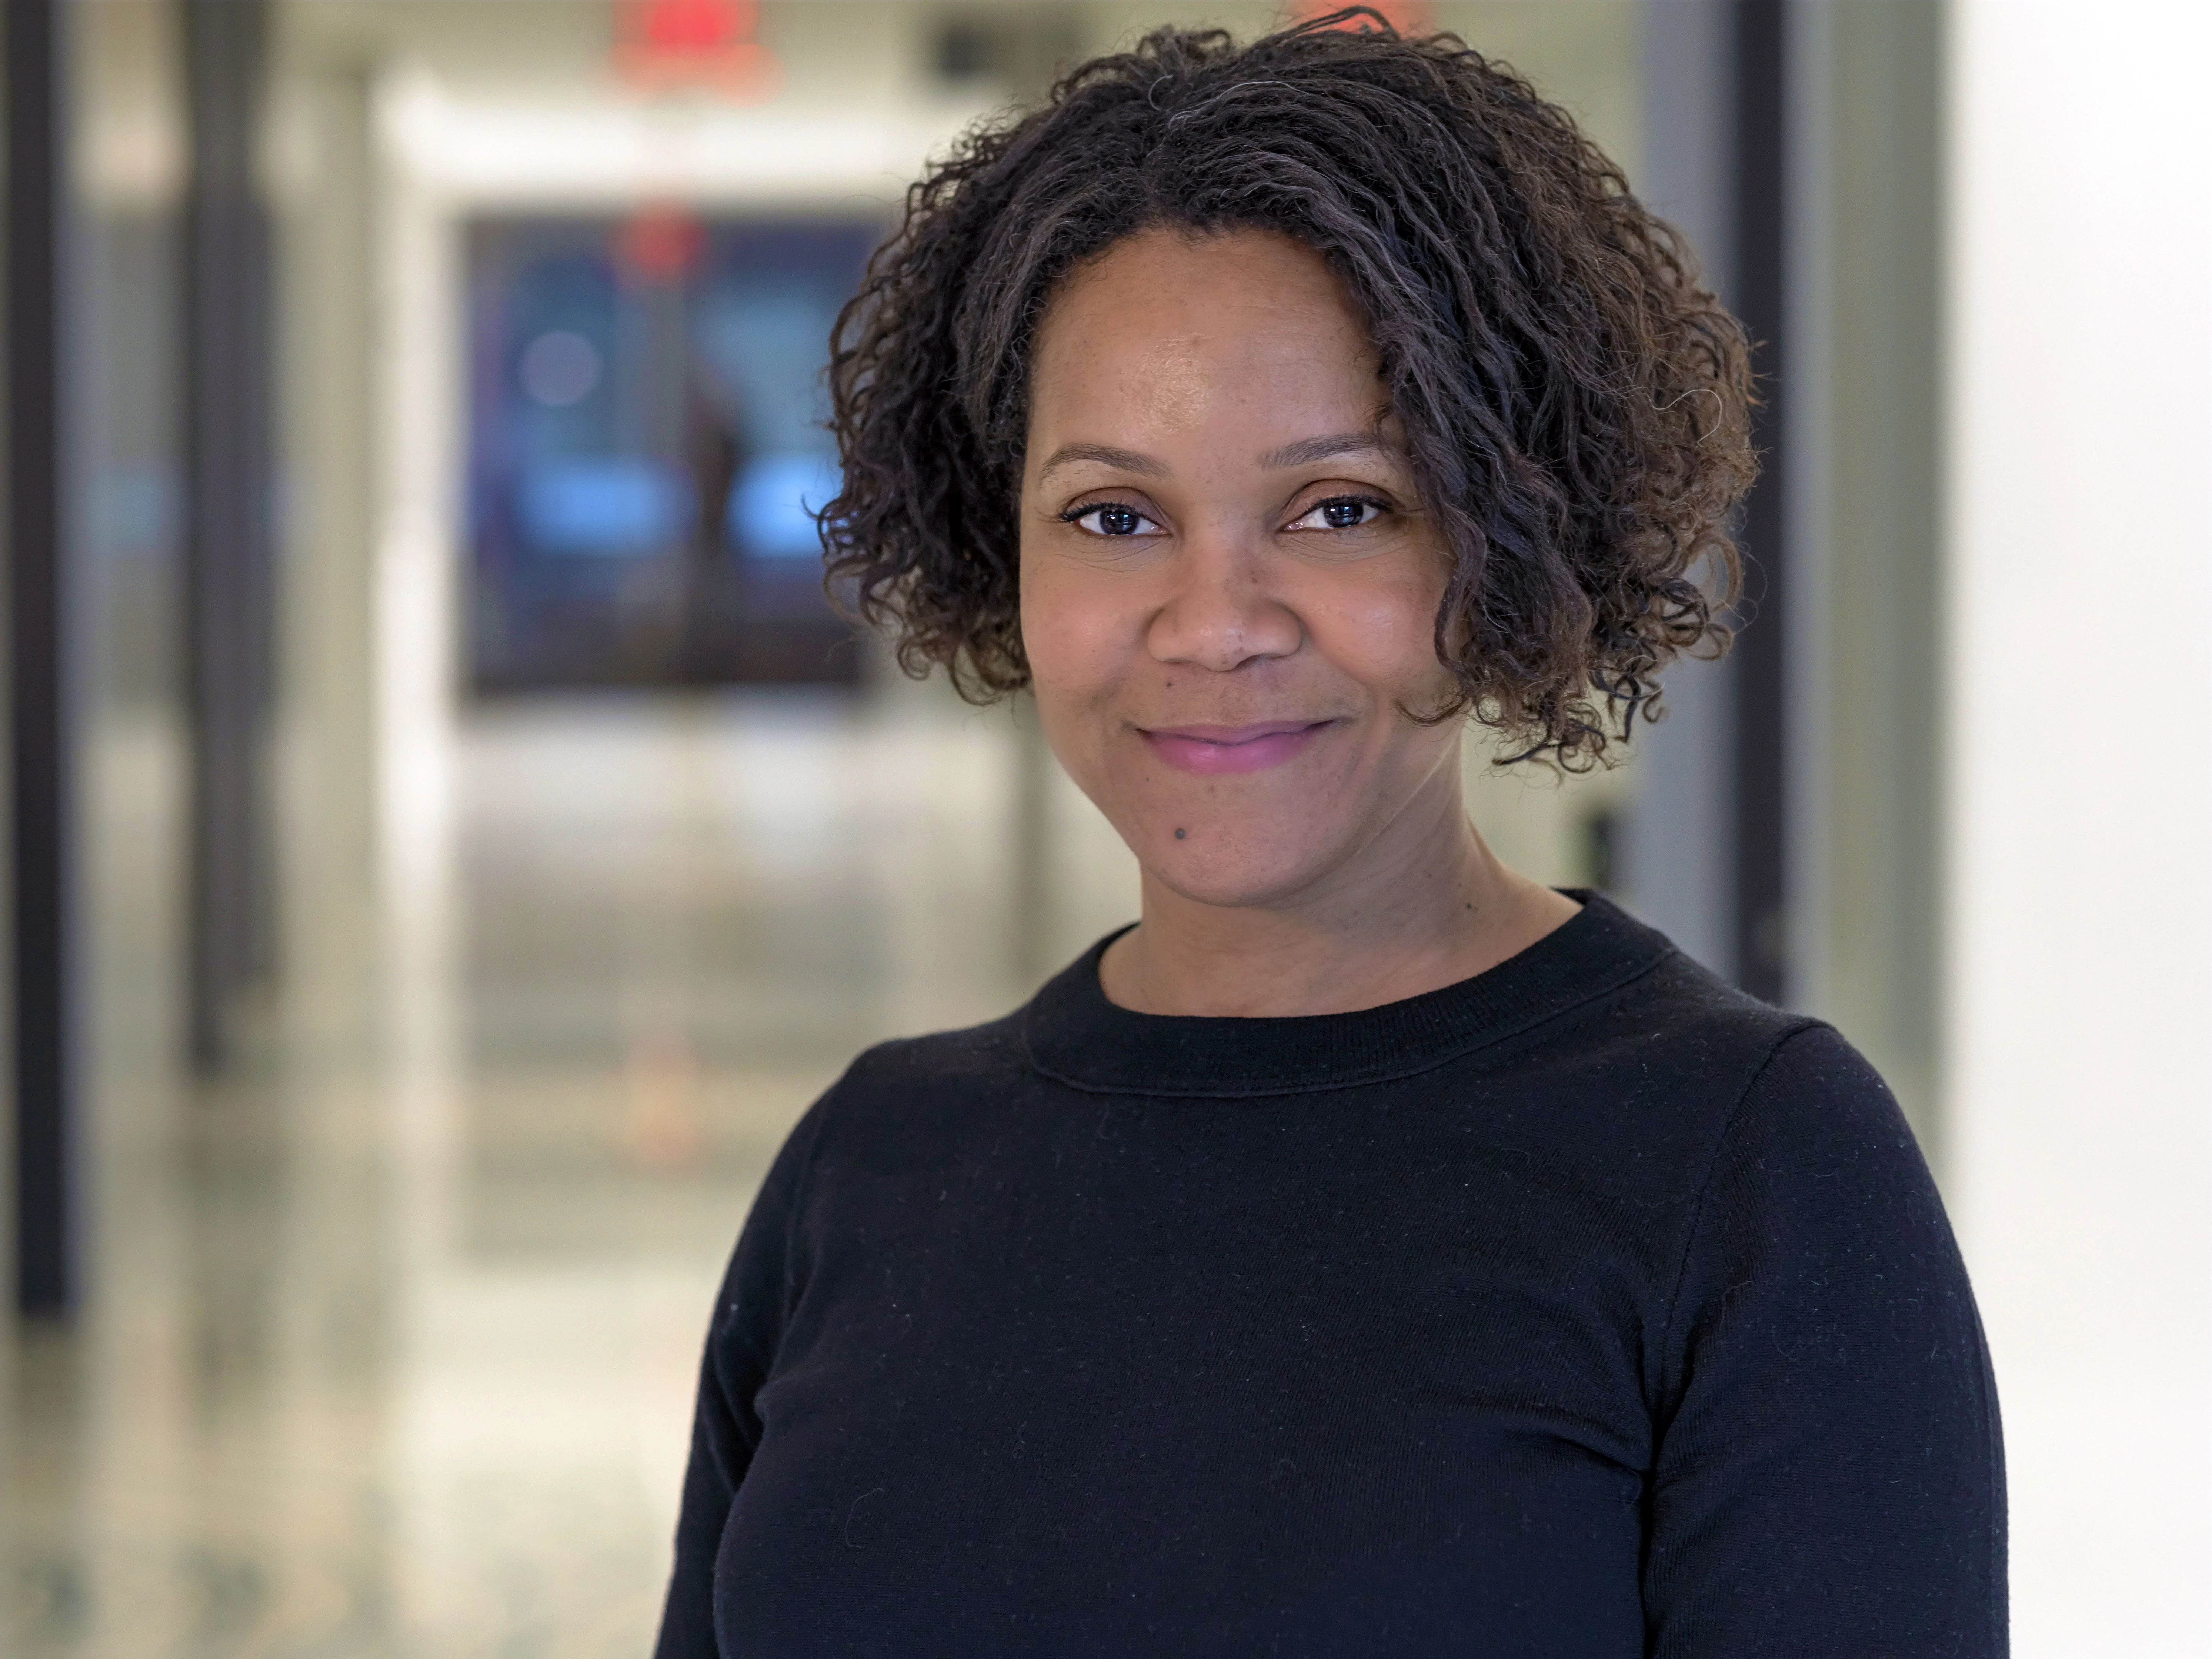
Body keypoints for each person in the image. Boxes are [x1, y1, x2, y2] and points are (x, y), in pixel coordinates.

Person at [654, 15, 2005, 1656]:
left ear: (1509, 536)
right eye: (1111, 516)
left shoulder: (1753, 1171)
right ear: (995, 541)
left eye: (1337, 508)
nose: (1211, 623)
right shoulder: (865, 1165)